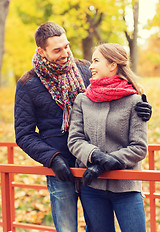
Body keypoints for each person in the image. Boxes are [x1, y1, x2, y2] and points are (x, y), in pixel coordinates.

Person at [14, 22, 151, 232]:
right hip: (61, 168)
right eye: (57, 50)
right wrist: (52, 159)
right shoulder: (28, 83)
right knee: (67, 227)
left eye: (66, 46)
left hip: (94, 167)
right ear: (41, 51)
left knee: (96, 225)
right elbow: (24, 134)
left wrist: (142, 107)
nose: (65, 53)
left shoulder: (86, 69)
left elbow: (116, 90)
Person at [68, 43, 148, 232]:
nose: (91, 66)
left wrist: (107, 163)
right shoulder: (82, 100)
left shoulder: (135, 100)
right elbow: (75, 140)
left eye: (96, 61)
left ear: (112, 65)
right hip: (92, 187)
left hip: (126, 186)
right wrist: (95, 156)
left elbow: (139, 147)